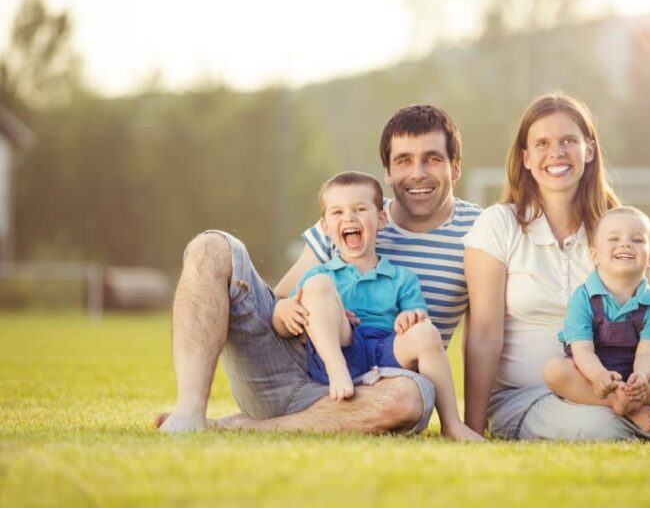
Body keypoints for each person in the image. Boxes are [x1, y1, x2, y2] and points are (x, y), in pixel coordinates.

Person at [158, 104, 482, 435]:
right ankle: (189, 413)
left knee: (409, 397)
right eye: (403, 160)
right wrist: (290, 310)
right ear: (387, 171)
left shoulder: (480, 231)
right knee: (209, 246)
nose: (417, 173)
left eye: (432, 159)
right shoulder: (350, 212)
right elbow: (281, 301)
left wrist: (472, 424)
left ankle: (247, 427)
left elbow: (484, 334)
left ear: (455, 167)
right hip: (294, 368)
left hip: (376, 387)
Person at [463, 92, 650, 441]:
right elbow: (483, 336)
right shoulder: (498, 224)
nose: (556, 152)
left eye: (568, 141)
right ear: (526, 158)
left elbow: (649, 325)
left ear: (589, 151)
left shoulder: (621, 230)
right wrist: (472, 429)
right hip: (529, 396)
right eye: (542, 143)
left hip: (621, 384)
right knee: (601, 429)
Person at [276, 171, 482, 440]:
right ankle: (338, 371)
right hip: (339, 347)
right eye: (337, 212)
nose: (349, 218)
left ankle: (451, 424)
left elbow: (419, 317)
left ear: (381, 219)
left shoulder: (402, 278)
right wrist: (283, 311)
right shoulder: (321, 275)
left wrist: (409, 318)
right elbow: (282, 323)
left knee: (426, 333)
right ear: (325, 227)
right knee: (318, 285)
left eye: (360, 209)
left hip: (384, 350)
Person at [543, 206, 650, 432]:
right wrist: (599, 376)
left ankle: (631, 399)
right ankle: (621, 404)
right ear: (594, 256)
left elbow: (649, 352)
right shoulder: (583, 298)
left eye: (637, 240)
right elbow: (582, 350)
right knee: (554, 370)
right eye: (614, 239)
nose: (625, 244)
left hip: (638, 374)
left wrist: (642, 376)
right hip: (591, 374)